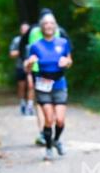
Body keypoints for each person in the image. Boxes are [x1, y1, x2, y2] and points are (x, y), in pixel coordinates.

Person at [23, 13, 72, 161]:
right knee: (49, 119)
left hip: (59, 83)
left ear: (55, 25)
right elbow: (27, 67)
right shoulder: (35, 46)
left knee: (61, 120)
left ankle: (56, 140)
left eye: (51, 23)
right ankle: (49, 148)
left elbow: (69, 60)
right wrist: (30, 63)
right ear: (41, 27)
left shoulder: (63, 43)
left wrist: (67, 62)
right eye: (46, 23)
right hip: (43, 83)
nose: (49, 26)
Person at [9, 22, 32, 115]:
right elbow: (11, 54)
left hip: (32, 67)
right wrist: (20, 51)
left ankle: (30, 106)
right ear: (21, 31)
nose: (25, 31)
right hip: (20, 66)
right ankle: (22, 102)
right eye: (24, 29)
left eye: (27, 29)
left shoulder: (33, 40)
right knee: (22, 87)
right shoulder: (16, 40)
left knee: (31, 86)